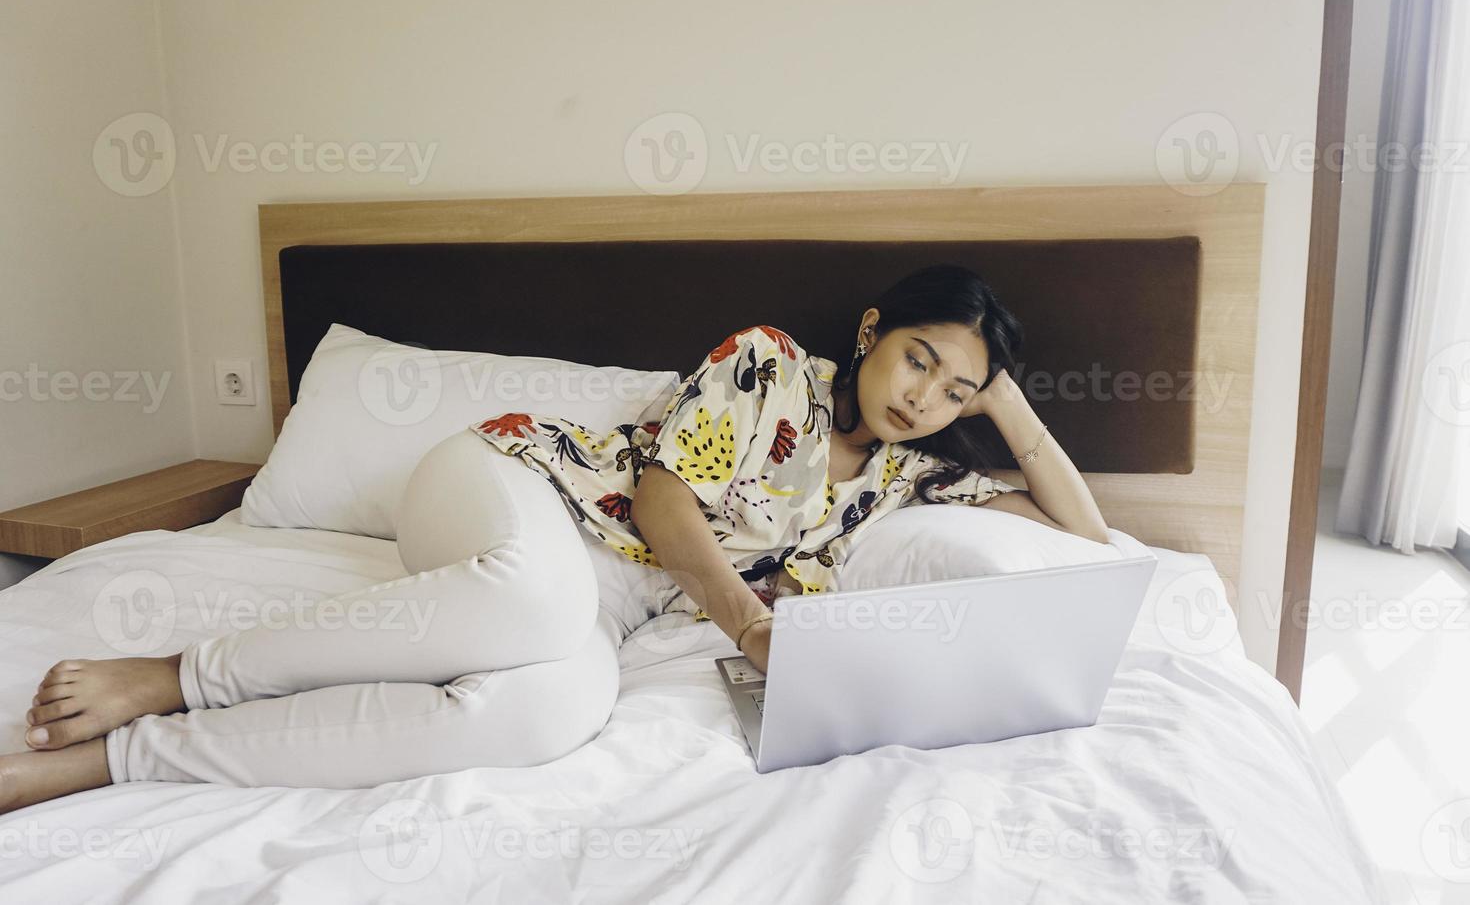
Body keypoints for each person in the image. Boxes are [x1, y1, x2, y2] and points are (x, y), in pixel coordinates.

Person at [1, 263, 1108, 812]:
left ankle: (119, 760)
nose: (927, 394)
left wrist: (1005, 404)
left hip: (606, 605)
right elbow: (667, 502)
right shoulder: (771, 364)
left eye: (955, 386)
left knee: (550, 709)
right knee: (535, 603)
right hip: (515, 483)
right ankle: (175, 673)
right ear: (871, 331)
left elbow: (1088, 535)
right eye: (920, 356)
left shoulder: (909, 480)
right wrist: (753, 622)